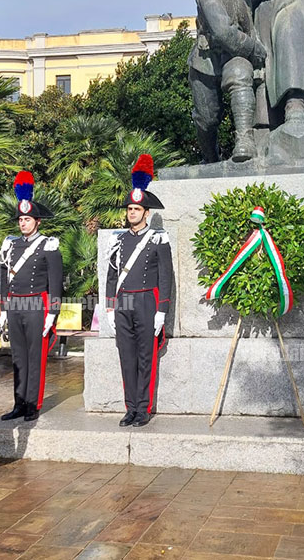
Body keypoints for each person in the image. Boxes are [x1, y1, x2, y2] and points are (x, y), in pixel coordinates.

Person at [106, 154, 174, 428]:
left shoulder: (158, 238)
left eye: (136, 209)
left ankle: (144, 408)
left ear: (146, 213)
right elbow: (112, 275)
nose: (131, 212)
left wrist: (162, 311)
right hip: (123, 303)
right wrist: (109, 307)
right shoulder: (118, 240)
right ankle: (130, 407)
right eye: (129, 209)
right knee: (127, 357)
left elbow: (166, 277)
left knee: (146, 357)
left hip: (147, 301)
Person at [188, 0, 267, 163]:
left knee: (240, 75)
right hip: (207, 58)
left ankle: (244, 140)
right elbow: (222, 30)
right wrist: (253, 48)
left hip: (234, 55)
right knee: (207, 118)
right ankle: (210, 158)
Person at [0, 171, 63, 422]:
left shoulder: (48, 245)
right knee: (18, 357)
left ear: (38, 221)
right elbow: (3, 277)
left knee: (36, 357)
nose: (23, 223)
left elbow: (56, 283)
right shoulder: (10, 245)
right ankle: (19, 403)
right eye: (21, 219)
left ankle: (33, 404)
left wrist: (52, 313)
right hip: (14, 306)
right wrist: (3, 309)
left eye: (28, 219)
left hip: (37, 306)